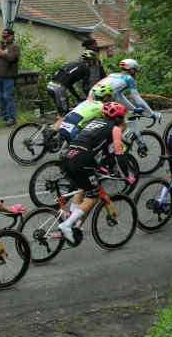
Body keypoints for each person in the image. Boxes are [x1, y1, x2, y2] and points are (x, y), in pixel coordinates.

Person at [56, 102, 132, 244]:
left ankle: (72, 220)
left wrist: (98, 167)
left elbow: (95, 145)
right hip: (81, 160)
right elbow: (119, 155)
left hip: (68, 157)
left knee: (83, 188)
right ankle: (67, 225)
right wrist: (126, 175)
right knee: (94, 196)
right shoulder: (115, 129)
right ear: (119, 119)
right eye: (123, 118)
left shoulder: (95, 122)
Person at [88, 59, 160, 120]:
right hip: (101, 98)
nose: (136, 73)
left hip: (92, 95)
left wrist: (134, 109)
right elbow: (138, 100)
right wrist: (152, 113)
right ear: (131, 70)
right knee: (118, 120)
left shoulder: (113, 75)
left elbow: (120, 96)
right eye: (135, 70)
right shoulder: (129, 78)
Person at [47, 51, 98, 131]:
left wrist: (77, 97)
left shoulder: (73, 64)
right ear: (90, 60)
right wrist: (90, 99)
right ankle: (50, 133)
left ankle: (55, 129)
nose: (93, 64)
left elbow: (69, 85)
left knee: (61, 110)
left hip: (50, 85)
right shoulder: (86, 69)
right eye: (93, 61)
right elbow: (85, 87)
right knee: (64, 115)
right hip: (59, 89)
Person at [0, 28, 20, 125]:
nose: (4, 38)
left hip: (8, 76)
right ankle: (3, 116)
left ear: (12, 36)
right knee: (1, 96)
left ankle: (12, 118)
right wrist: (1, 53)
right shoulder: (0, 45)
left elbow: (11, 58)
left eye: (6, 36)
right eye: (3, 36)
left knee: (7, 96)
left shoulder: (15, 47)